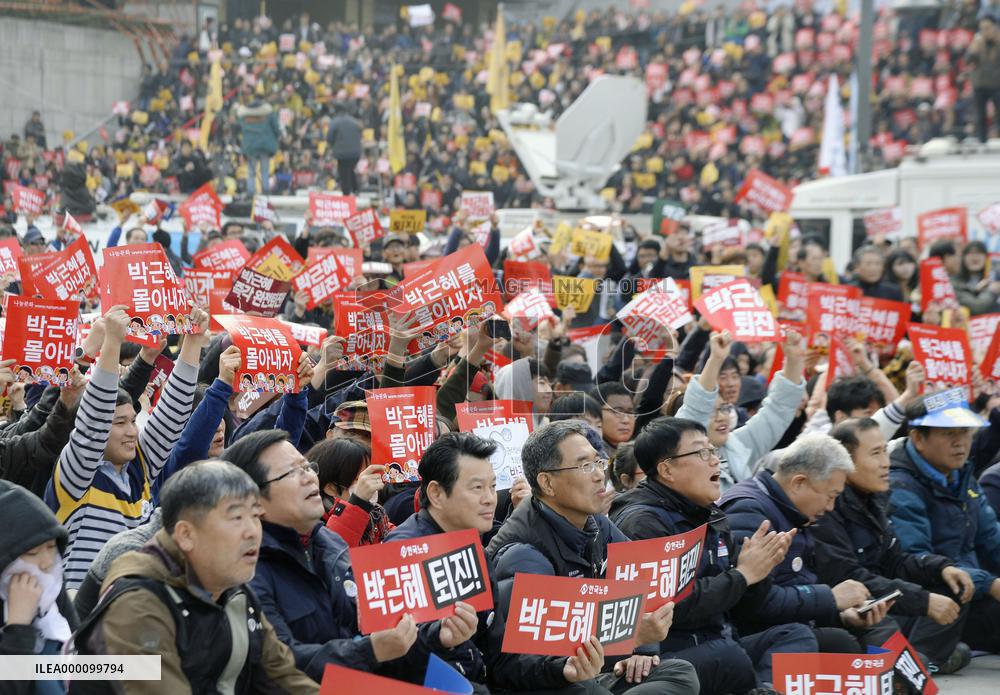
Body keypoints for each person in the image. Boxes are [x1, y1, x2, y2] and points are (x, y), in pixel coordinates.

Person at [220, 430, 457, 685]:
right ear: (254, 500)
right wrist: (369, 651)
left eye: (308, 467)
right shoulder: (245, 571)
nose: (310, 477)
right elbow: (276, 666)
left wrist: (437, 636)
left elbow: (379, 632)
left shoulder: (331, 544)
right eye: (292, 472)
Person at [488, 420, 701, 695]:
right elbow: (522, 662)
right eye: (584, 465)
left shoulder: (597, 524)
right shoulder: (523, 555)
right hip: (549, 678)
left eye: (598, 462)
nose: (600, 475)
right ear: (548, 483)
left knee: (680, 672)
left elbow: (638, 585)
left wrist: (642, 648)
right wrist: (630, 636)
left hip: (593, 663)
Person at [611, 417, 817, 695]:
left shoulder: (711, 514)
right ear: (667, 469)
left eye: (713, 451)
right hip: (664, 657)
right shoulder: (642, 522)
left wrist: (762, 569)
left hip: (714, 640)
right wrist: (742, 575)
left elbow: (744, 608)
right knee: (730, 656)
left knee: (795, 635)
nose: (715, 461)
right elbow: (672, 608)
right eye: (701, 452)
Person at [71, 461, 318, 693]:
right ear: (186, 534)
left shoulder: (233, 590)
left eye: (255, 516)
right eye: (236, 518)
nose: (252, 532)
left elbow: (286, 678)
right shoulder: (137, 604)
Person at [44, 305, 207, 589]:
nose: (132, 432)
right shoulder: (77, 476)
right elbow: (94, 418)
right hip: (81, 618)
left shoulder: (139, 469)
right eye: (119, 423)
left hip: (133, 610)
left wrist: (193, 340)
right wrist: (112, 343)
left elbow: (173, 412)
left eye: (132, 421)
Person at [813, 418, 975, 673]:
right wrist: (922, 601)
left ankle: (917, 660)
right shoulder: (827, 506)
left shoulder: (874, 497)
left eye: (886, 451)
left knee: (953, 584)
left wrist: (941, 567)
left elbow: (894, 560)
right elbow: (849, 577)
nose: (886, 463)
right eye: (876, 453)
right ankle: (913, 664)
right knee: (879, 621)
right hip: (844, 608)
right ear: (845, 459)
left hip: (880, 598)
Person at [720, 434, 898, 653]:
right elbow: (753, 603)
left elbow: (793, 586)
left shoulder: (791, 511)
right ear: (799, 482)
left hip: (792, 626)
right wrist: (830, 597)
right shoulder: (750, 512)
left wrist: (840, 615)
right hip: (758, 638)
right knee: (841, 643)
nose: (831, 507)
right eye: (831, 496)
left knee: (886, 643)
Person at [888, 389, 1000, 655]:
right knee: (951, 582)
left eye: (965, 432)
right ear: (918, 438)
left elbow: (991, 538)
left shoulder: (962, 476)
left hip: (974, 593)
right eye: (949, 434)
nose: (961, 442)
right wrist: (990, 583)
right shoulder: (899, 485)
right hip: (927, 598)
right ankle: (924, 659)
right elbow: (916, 560)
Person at [675, 330, 805, 488]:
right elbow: (697, 406)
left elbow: (777, 410)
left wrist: (794, 359)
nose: (721, 417)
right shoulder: (684, 454)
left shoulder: (738, 445)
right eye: (710, 412)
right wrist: (715, 359)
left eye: (724, 408)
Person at [0, 480, 78, 694]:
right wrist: (18, 625)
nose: (45, 563)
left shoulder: (52, 588)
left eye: (51, 547)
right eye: (31, 553)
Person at [311, 437, 394, 546]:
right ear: (331, 488)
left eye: (369, 475)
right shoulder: (313, 524)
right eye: (358, 480)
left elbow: (400, 537)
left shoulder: (376, 516)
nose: (368, 484)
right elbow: (334, 549)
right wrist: (358, 502)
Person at [235, 96, 281, 196]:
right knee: (265, 170)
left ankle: (251, 192)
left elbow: (238, 127)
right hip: (265, 146)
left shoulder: (245, 115)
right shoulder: (268, 113)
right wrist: (277, 137)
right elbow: (276, 129)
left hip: (250, 146)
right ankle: (265, 191)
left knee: (251, 171)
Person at [967, 15, 1000, 142]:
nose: (985, 31)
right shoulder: (977, 43)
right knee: (980, 116)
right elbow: (968, 61)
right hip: (980, 84)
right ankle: (982, 141)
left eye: (987, 28)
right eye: (982, 29)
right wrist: (972, 51)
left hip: (997, 83)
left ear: (995, 28)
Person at [327, 104, 363, 195]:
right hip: (356, 152)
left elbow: (330, 137)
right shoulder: (354, 121)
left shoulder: (335, 122)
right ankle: (356, 189)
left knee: (343, 172)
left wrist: (331, 145)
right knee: (350, 169)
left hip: (342, 153)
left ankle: (346, 194)